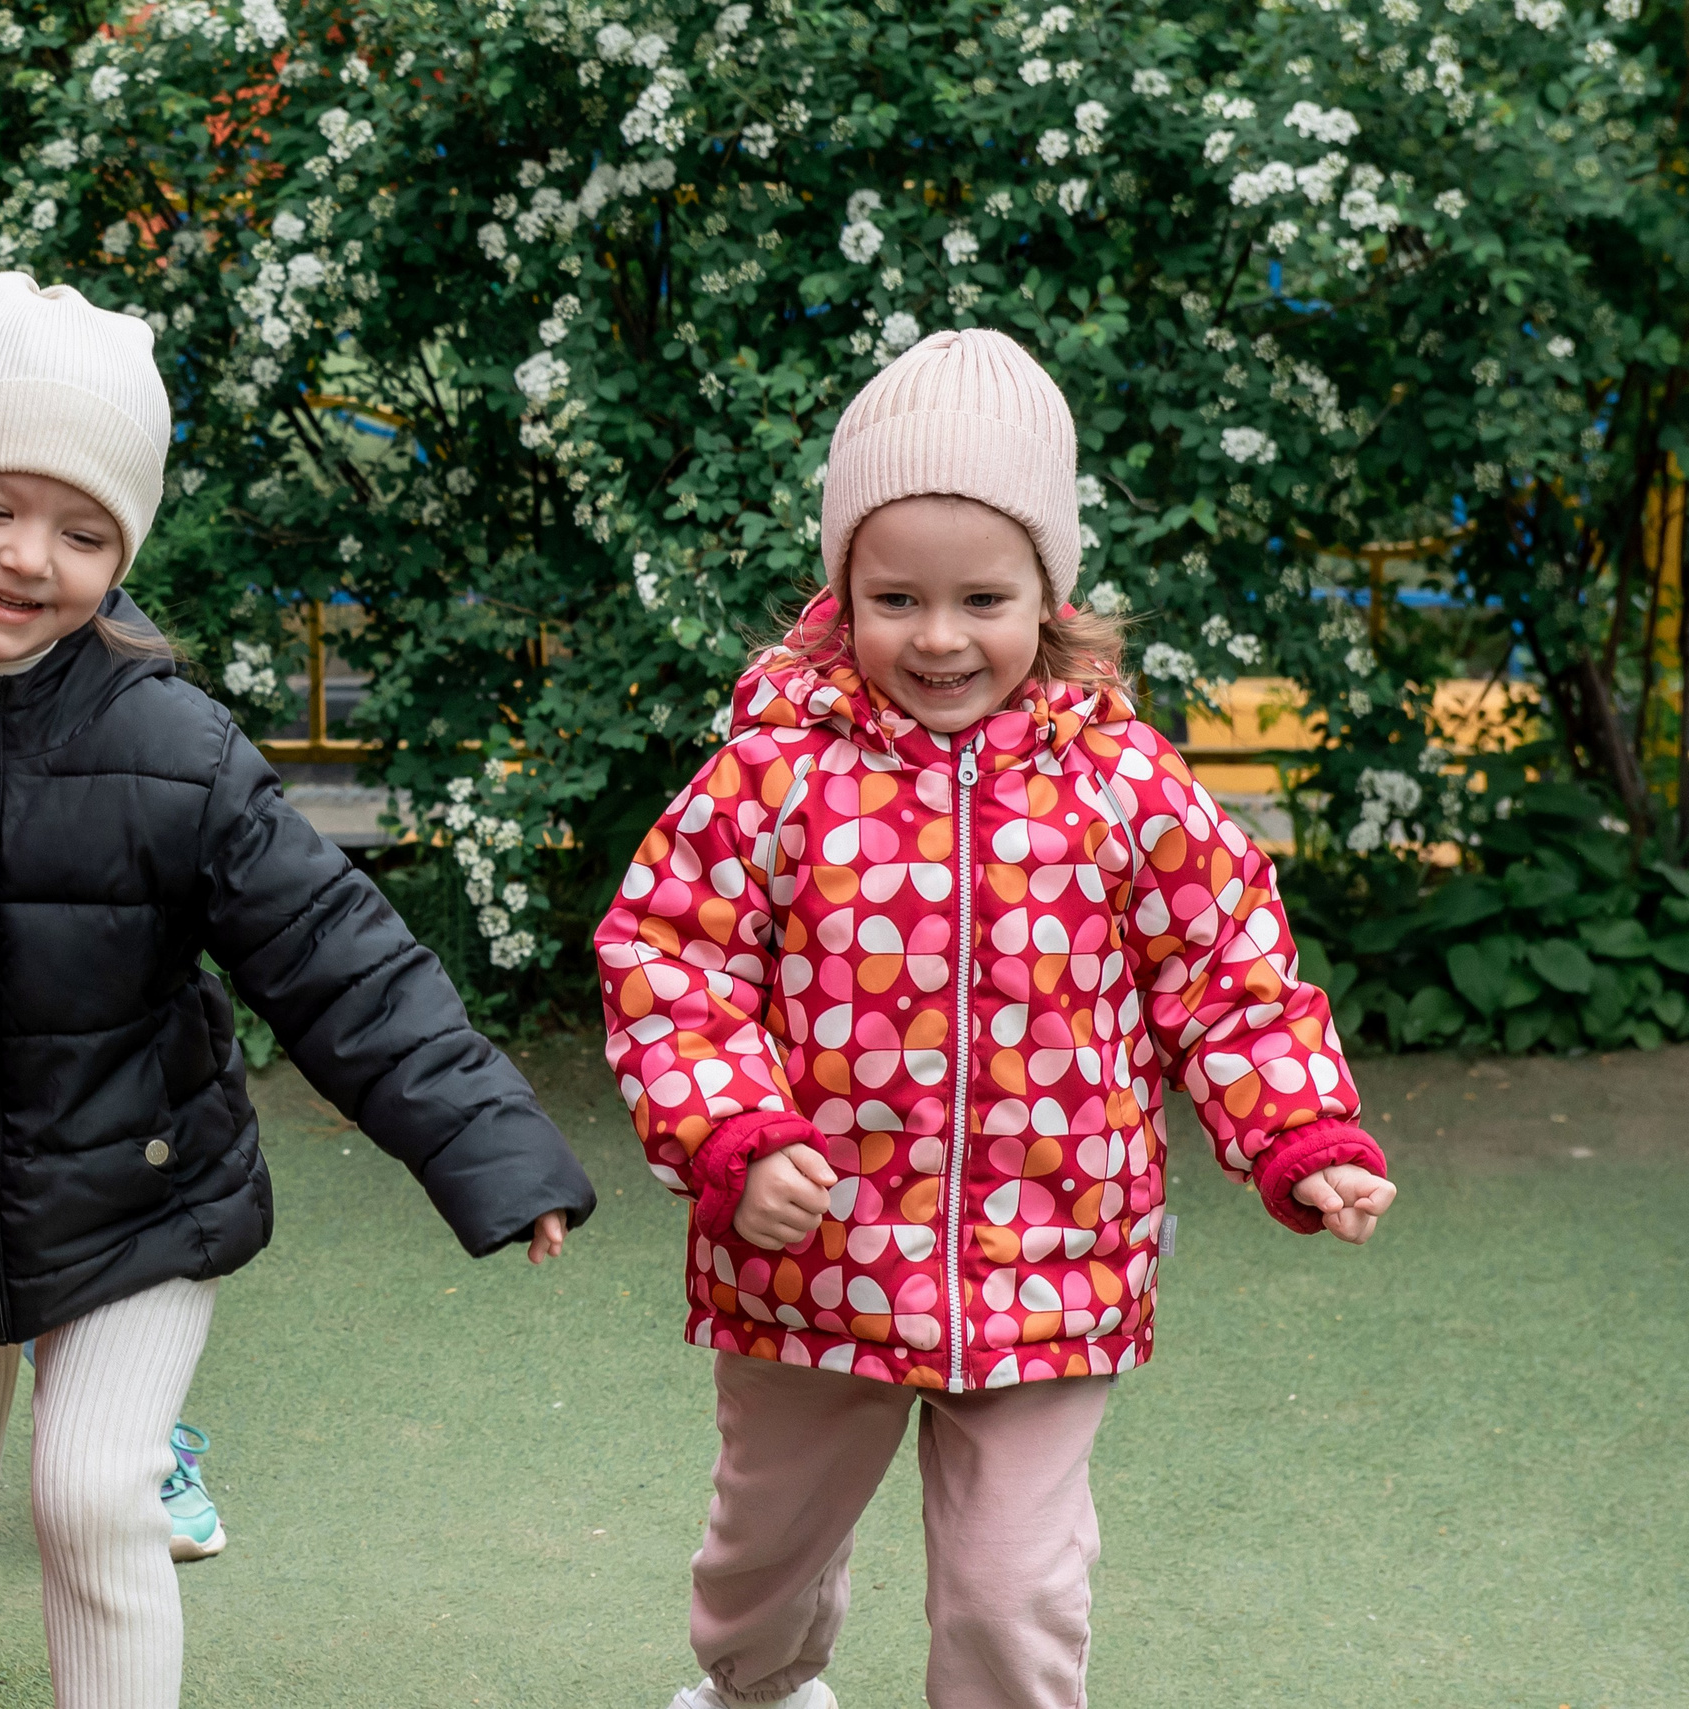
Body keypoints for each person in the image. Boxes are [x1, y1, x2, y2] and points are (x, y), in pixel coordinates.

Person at [0, 272, 594, 1709]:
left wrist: (488, 1140)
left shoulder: (171, 747)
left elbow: (336, 951)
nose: (28, 557)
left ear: (122, 553)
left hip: (142, 1201)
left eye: (83, 532)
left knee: (96, 1500)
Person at [594, 328, 1396, 1709]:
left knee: (1010, 1587)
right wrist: (734, 1133)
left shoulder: (1123, 783)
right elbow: (672, 964)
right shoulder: (771, 778)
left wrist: (1298, 1129)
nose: (940, 636)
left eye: (984, 597)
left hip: (1052, 1262)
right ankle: (757, 1688)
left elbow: (1227, 968)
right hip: (815, 1261)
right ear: (842, 594)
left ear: (1049, 594)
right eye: (896, 597)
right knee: (764, 1554)